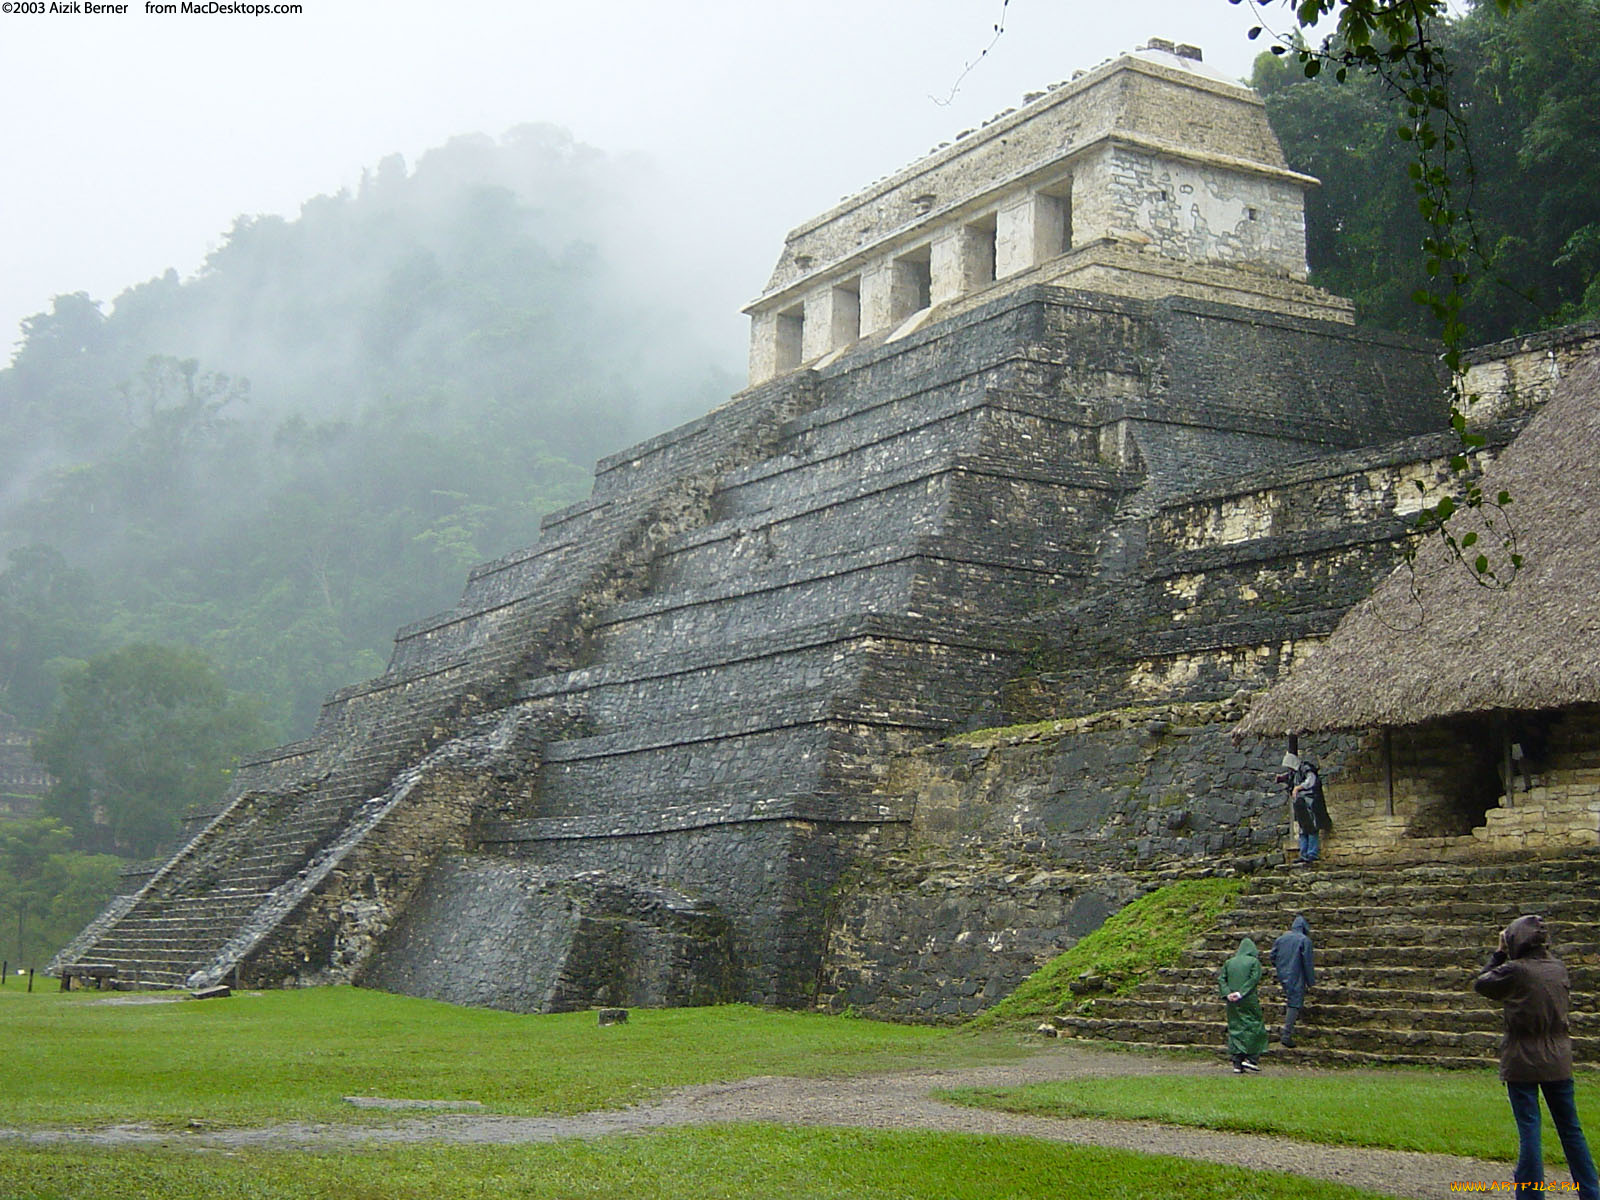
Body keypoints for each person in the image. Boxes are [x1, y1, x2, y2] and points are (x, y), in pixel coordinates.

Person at [1473, 914, 1598, 1200]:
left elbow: (1481, 984)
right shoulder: (1558, 968)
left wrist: (1499, 953)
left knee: (1530, 1131)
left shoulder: (1515, 971)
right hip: (1559, 1059)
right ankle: (1591, 1192)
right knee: (1571, 1131)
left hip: (1522, 1060)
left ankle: (1530, 1195)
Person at [1219, 936, 1268, 1074]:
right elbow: (1254, 979)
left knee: (1235, 1027)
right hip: (1248, 999)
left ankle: (1237, 1061)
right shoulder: (1254, 962)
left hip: (1231, 1002)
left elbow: (1222, 979)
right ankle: (1251, 1058)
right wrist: (1241, 993)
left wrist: (1228, 993)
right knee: (1254, 1025)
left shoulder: (1229, 962)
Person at [1271, 915, 1315, 1048]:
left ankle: (1287, 1032)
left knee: (1292, 1000)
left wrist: (1280, 968)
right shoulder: (1304, 940)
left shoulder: (1281, 939)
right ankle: (1286, 1034)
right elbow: (1307, 962)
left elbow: (1272, 956)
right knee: (1294, 1003)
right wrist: (1310, 981)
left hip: (1283, 973)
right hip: (1296, 974)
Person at [1291, 760, 1332, 864]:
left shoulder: (1306, 769)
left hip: (1311, 803)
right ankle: (1303, 853)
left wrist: (1298, 788)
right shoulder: (1296, 773)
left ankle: (1312, 853)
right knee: (1303, 829)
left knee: (1312, 827)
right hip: (1302, 804)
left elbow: (1310, 781)